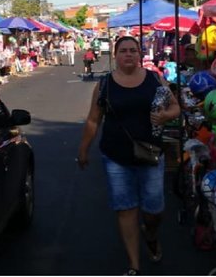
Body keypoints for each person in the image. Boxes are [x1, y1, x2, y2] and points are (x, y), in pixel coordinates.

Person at [77, 36, 181, 276]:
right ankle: (134, 265)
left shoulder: (154, 79)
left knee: (154, 209)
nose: (129, 55)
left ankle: (151, 235)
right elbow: (94, 120)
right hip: (116, 157)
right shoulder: (105, 85)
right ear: (116, 55)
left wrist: (165, 116)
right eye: (123, 51)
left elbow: (174, 106)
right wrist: (83, 149)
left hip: (150, 154)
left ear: (139, 54)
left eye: (133, 50)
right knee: (126, 208)